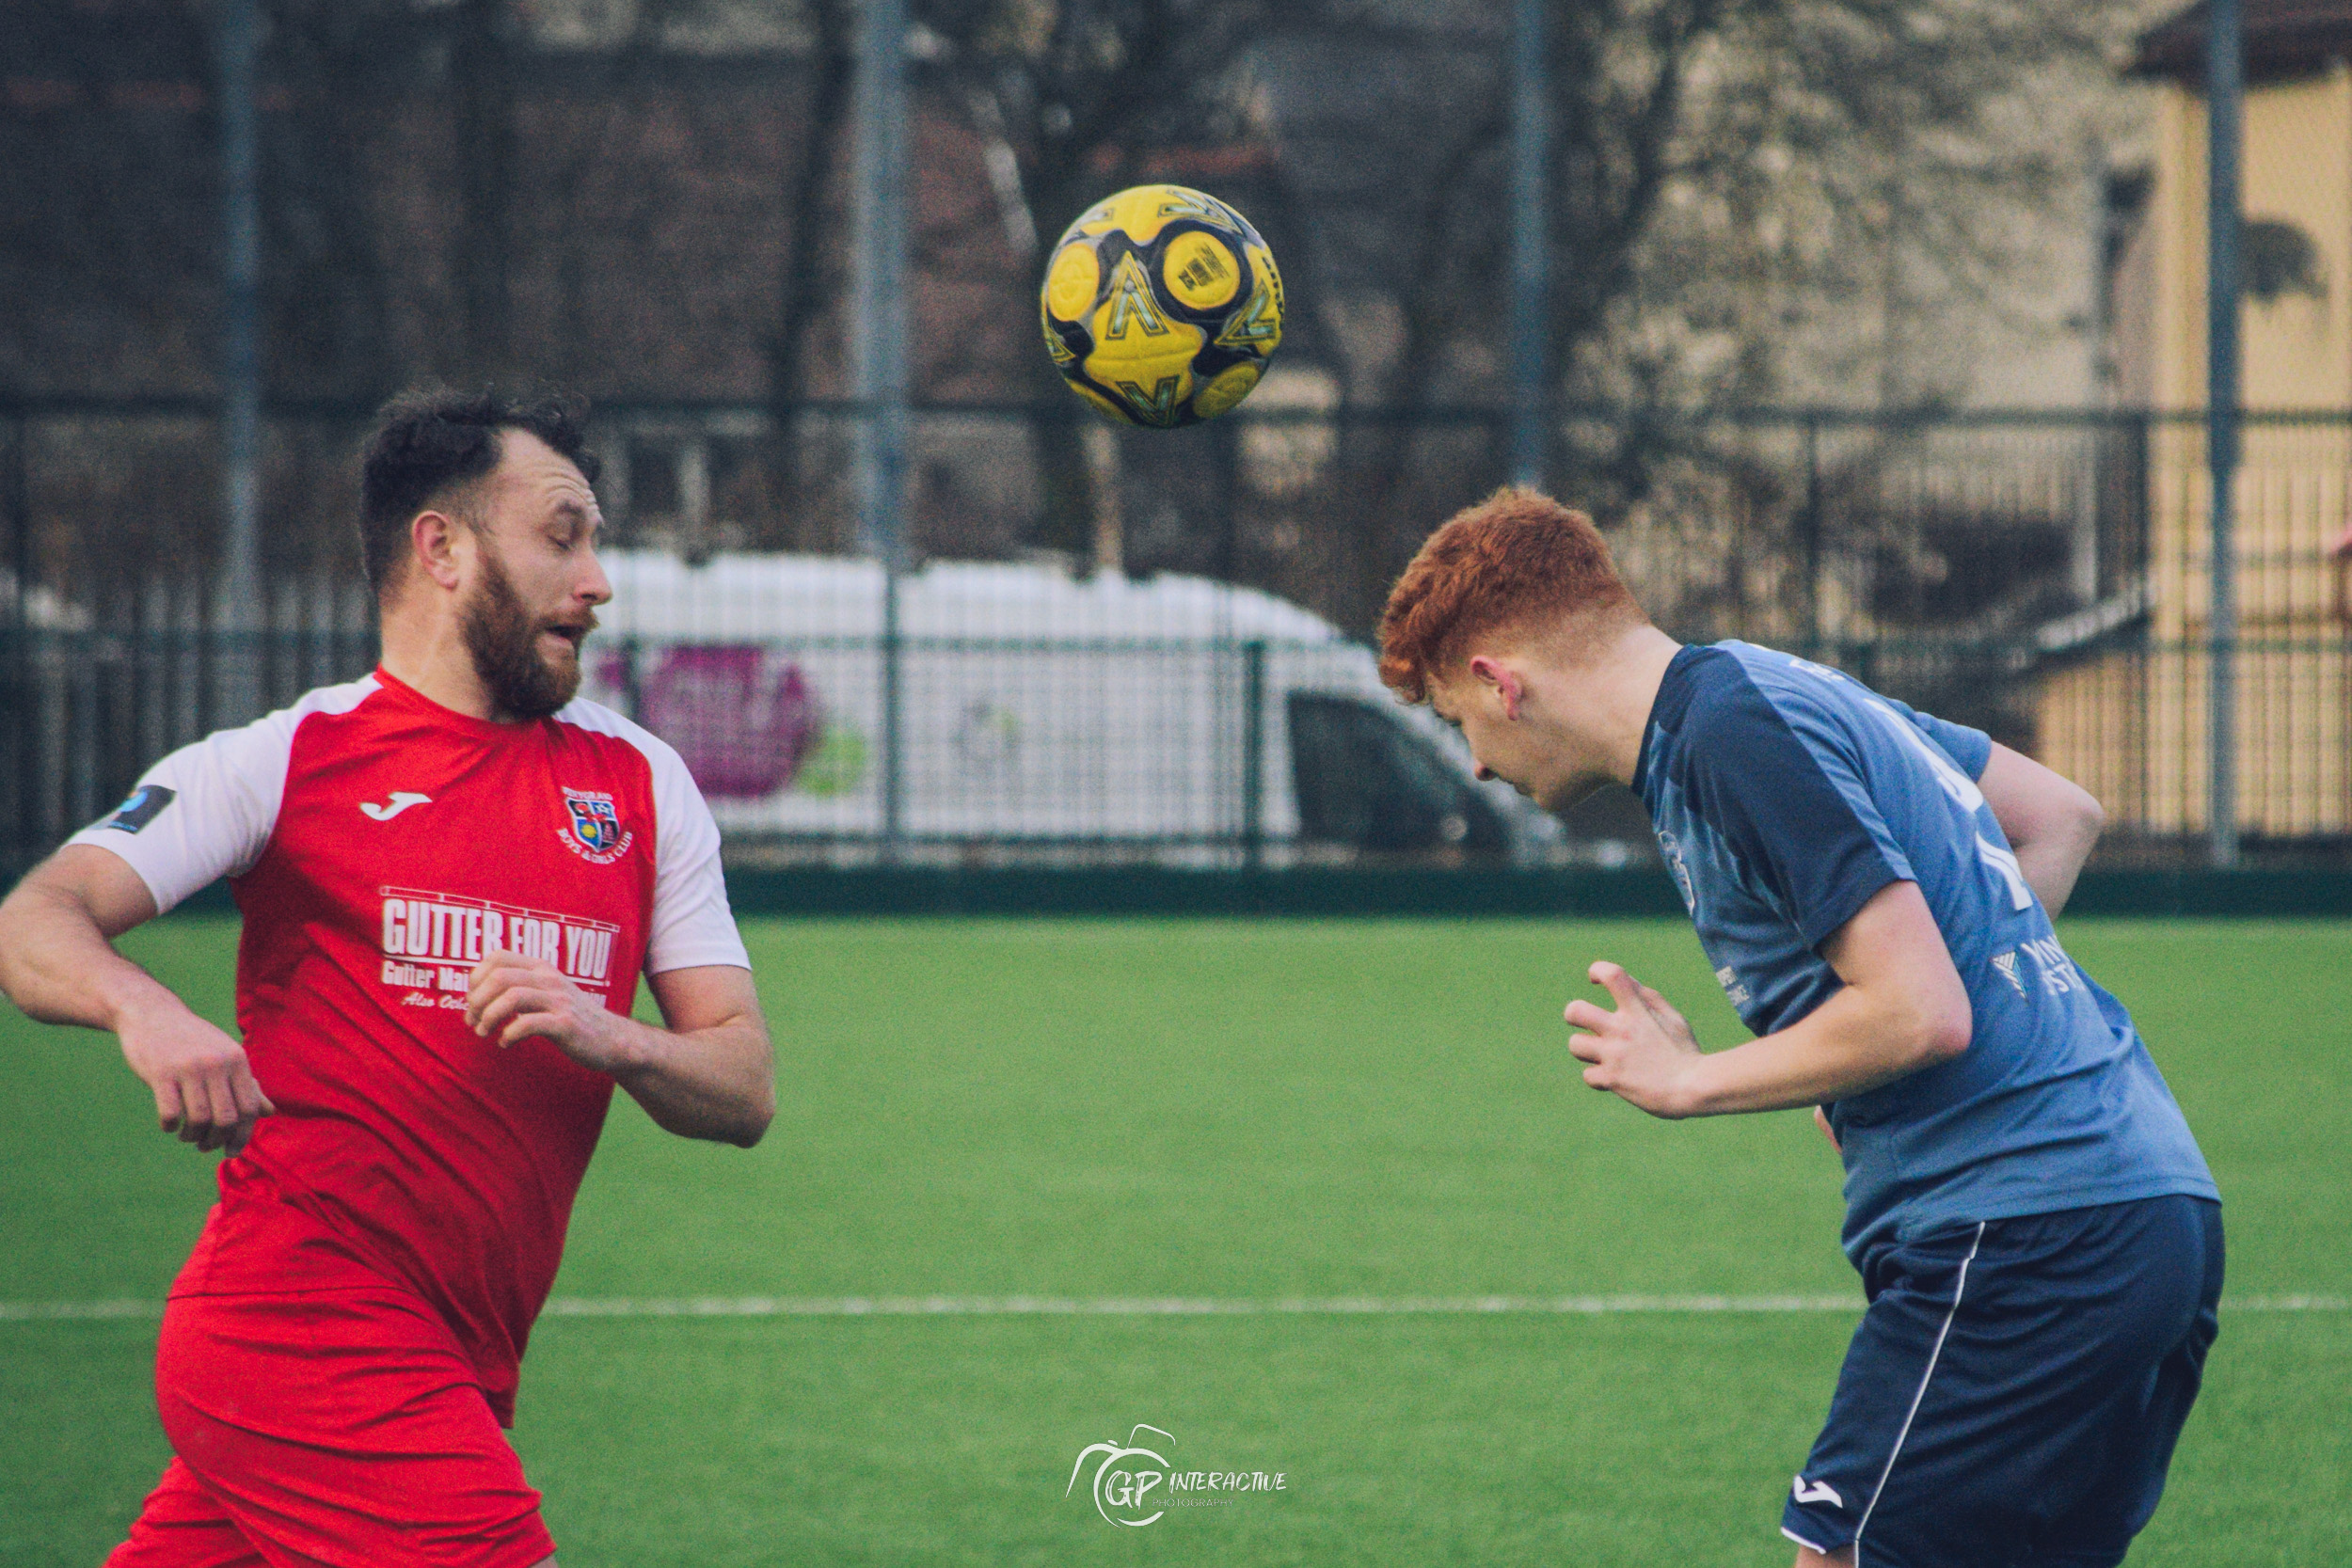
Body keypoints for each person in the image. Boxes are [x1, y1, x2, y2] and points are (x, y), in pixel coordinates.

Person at [0, 388, 775, 1568]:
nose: (599, 582)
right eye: (562, 537)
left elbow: (744, 1083)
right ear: (442, 548)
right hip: (301, 1320)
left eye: (597, 543)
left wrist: (608, 1032)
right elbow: (35, 917)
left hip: (455, 1353)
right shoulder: (283, 760)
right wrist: (146, 1010)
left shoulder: (641, 782)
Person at [1376, 488, 2221, 1568]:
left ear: (1501, 681)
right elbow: (2058, 814)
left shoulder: (1727, 734)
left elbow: (1920, 1010)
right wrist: (1868, 1056)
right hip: (2147, 1203)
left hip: (2022, 1231)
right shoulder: (1767, 687)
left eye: (1458, 721)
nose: (1476, 762)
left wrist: (1689, 1078)